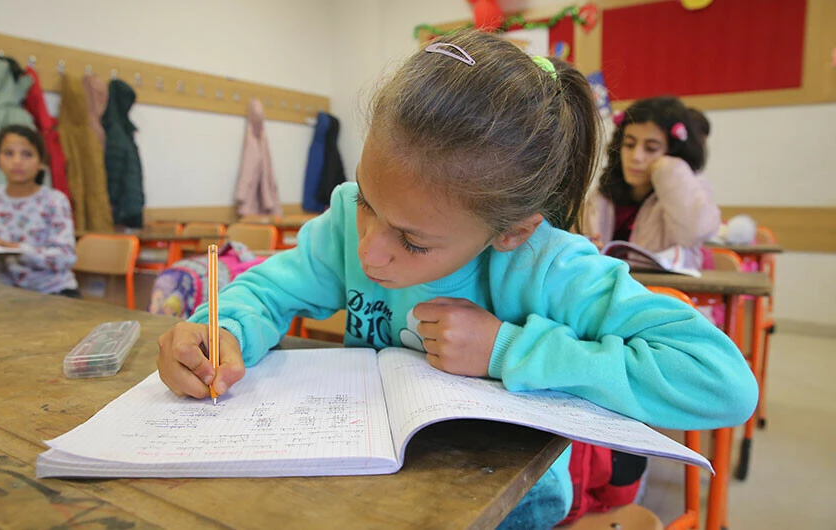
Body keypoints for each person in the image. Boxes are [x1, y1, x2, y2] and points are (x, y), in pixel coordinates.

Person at [157, 32, 756, 529]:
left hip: (511, 510)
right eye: (368, 200)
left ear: (511, 231)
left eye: (413, 241)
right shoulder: (345, 219)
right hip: (366, 489)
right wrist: (221, 329)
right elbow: (264, 291)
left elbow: (722, 382)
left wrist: (507, 348)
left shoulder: (549, 265)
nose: (370, 251)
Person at [584, 96, 721, 270]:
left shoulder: (688, 186)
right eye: (629, 144)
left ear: (673, 152)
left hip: (666, 293)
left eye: (651, 148)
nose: (636, 157)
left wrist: (667, 168)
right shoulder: (603, 195)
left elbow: (696, 233)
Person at [0, 125, 80, 298]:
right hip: (7, 295)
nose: (17, 161)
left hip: (54, 293)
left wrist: (14, 248)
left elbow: (65, 258)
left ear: (41, 162)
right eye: (8, 153)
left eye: (27, 154)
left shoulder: (54, 200)